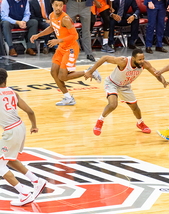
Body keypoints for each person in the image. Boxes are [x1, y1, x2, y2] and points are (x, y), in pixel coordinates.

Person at [84, 48, 169, 136]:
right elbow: (104, 58)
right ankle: (100, 121)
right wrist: (91, 71)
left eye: (143, 59)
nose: (142, 61)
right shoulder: (123, 61)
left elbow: (156, 74)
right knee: (113, 104)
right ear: (133, 59)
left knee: (135, 107)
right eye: (140, 59)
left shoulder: (145, 64)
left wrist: (163, 81)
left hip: (125, 86)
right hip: (112, 83)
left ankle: (140, 123)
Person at [30, 0, 101, 106]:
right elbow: (51, 28)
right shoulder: (51, 15)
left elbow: (75, 36)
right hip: (62, 48)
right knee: (54, 73)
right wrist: (38, 35)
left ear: (63, 6)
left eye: (60, 5)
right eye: (56, 5)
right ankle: (68, 98)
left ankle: (89, 71)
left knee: (63, 76)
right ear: (52, 5)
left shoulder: (65, 19)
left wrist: (58, 40)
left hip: (71, 48)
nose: (58, 8)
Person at [0, 68, 47, 206]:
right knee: (9, 160)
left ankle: (24, 194)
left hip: (11, 131)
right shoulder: (13, 93)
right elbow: (30, 111)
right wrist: (34, 126)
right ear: (6, 79)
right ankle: (37, 181)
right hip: (20, 127)